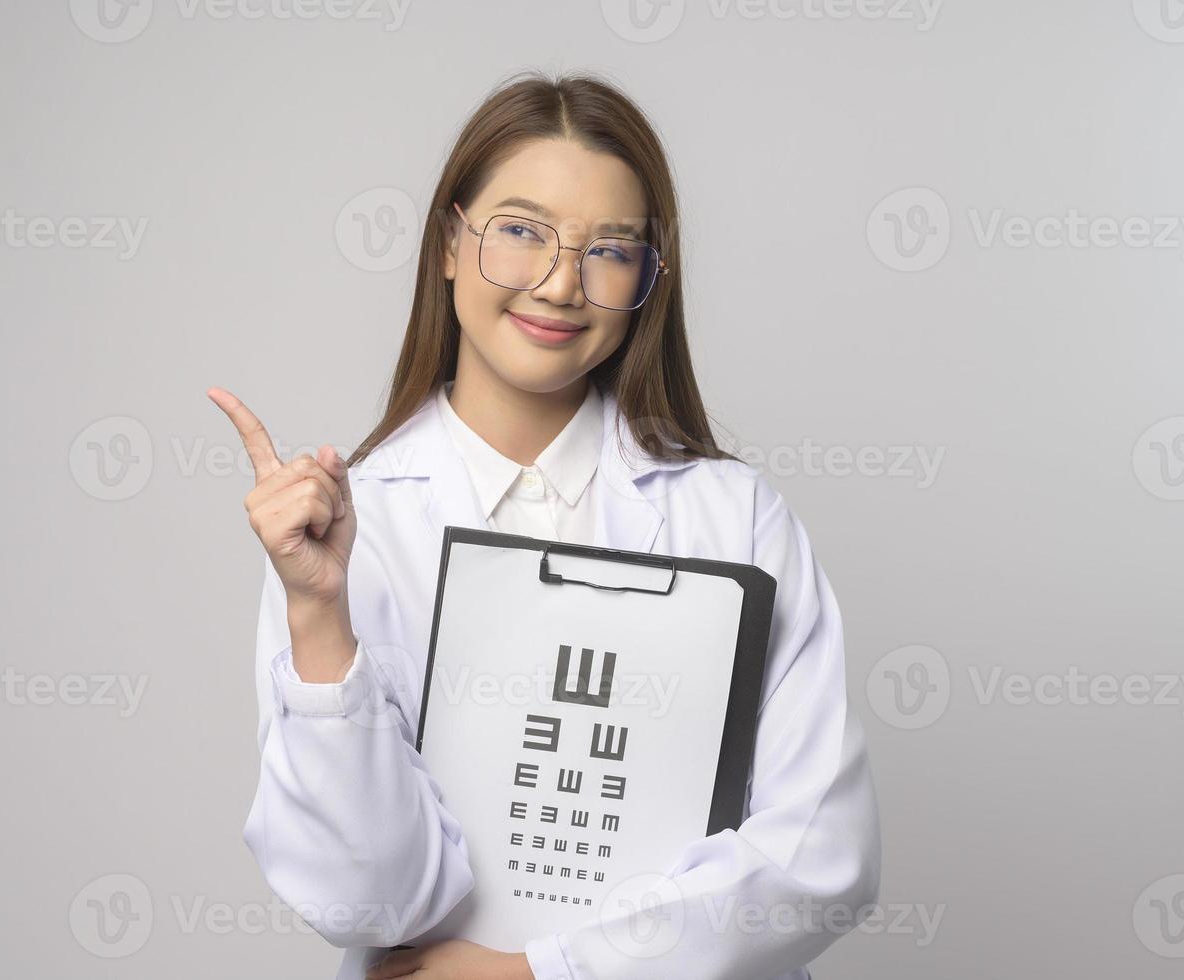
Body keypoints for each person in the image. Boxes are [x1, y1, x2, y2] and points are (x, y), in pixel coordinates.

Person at [208, 69, 880, 980]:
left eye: (609, 248)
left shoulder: (734, 518)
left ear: (647, 277)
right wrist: (321, 618)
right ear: (449, 244)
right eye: (520, 232)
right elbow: (365, 899)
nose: (561, 284)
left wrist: (544, 973)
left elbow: (817, 857)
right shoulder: (345, 532)